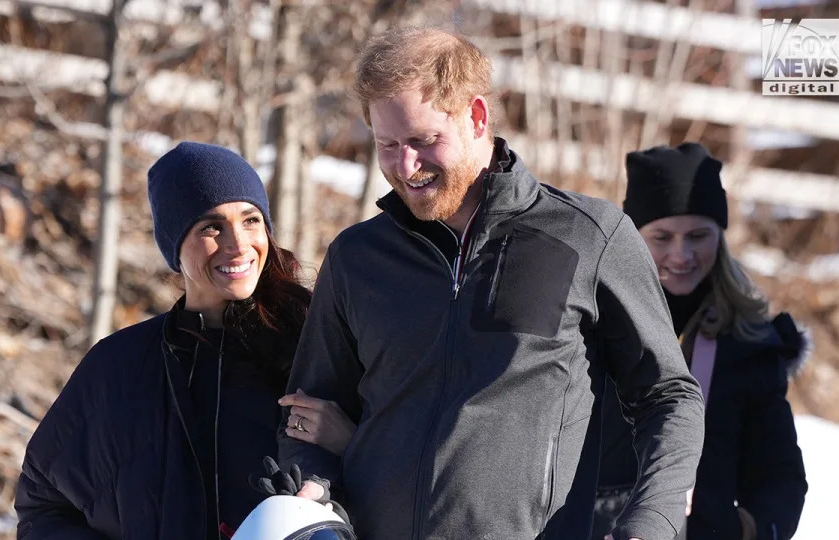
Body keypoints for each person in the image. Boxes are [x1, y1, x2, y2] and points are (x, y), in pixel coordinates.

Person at [278, 26, 705, 540]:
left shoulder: (588, 237)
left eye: (423, 140)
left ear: (477, 116)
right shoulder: (357, 257)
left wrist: (653, 518)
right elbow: (310, 415)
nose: (404, 165)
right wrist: (313, 486)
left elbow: (668, 394)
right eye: (386, 144)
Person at [15, 142, 316, 538]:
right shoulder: (119, 367)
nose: (239, 244)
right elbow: (44, 502)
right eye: (211, 227)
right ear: (175, 246)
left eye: (250, 220)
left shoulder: (312, 347)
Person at [593, 143, 808, 540]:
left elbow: (780, 476)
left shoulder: (749, 344)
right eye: (661, 237)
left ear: (720, 237)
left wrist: (745, 527)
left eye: (698, 235)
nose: (682, 254)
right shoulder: (590, 323)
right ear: (632, 237)